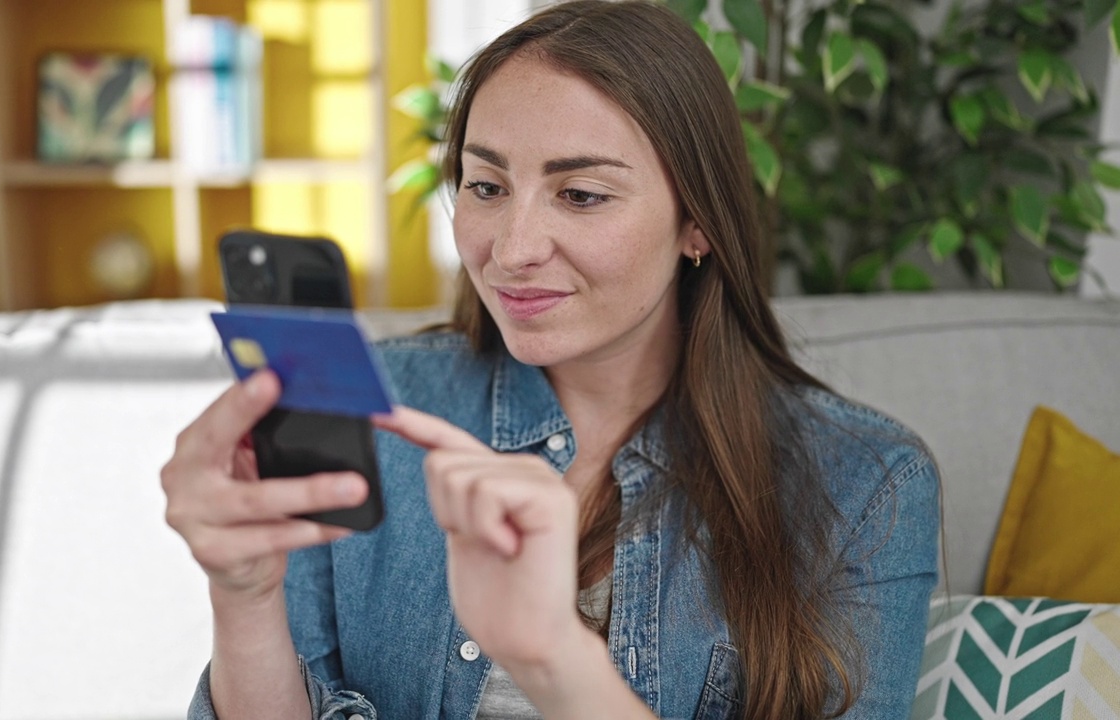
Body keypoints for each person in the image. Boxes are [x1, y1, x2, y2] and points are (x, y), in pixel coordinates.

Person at [162, 1, 940, 718]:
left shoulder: (867, 486)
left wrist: (553, 656)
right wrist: (244, 596)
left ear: (697, 224)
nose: (511, 249)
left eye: (581, 195)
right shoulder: (371, 409)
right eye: (487, 184)